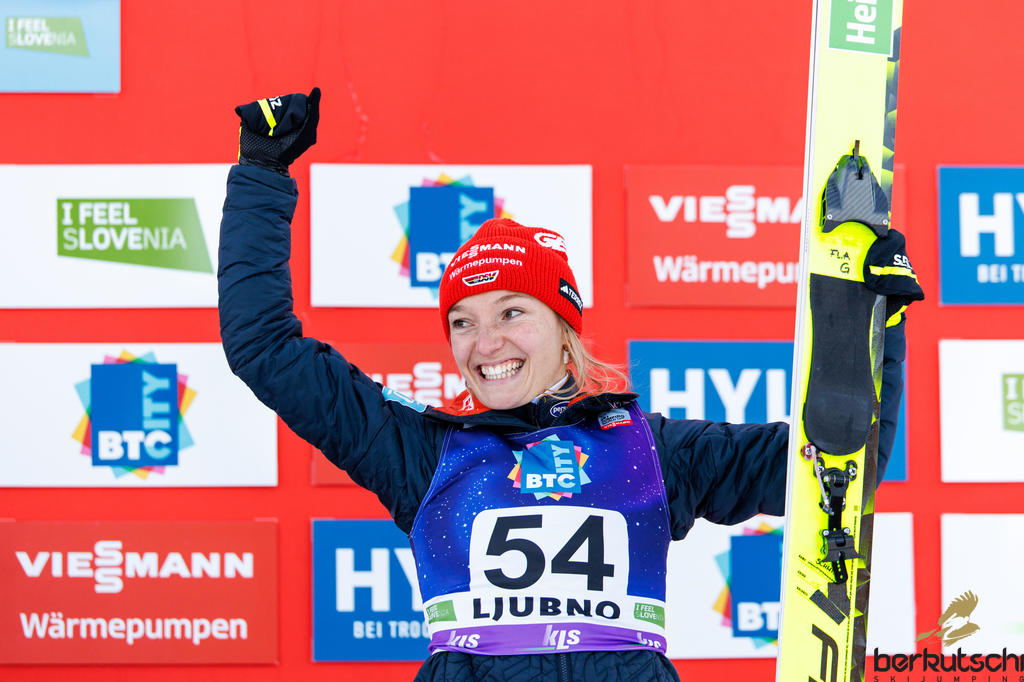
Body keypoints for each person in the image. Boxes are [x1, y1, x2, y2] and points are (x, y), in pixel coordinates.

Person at [218, 89, 923, 682]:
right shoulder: (421, 450)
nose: (485, 344)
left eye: (511, 313)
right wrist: (261, 174)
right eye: (463, 322)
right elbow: (265, 350)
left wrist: (870, 322)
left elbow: (838, 457)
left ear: (564, 330)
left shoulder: (651, 450)